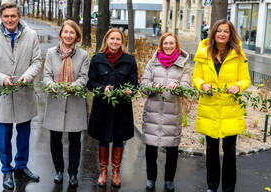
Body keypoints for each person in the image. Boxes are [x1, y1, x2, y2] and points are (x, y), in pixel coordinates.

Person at [0, 2, 42, 190]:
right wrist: (2, 79)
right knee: (4, 136)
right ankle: (6, 170)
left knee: (24, 135)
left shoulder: (31, 36)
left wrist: (27, 77)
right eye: (6, 16)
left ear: (19, 17)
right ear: (1, 17)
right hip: (3, 95)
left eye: (13, 16)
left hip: (24, 93)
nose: (10, 19)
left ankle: (21, 167)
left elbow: (37, 61)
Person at [192, 19, 251, 192]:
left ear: (230, 34)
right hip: (210, 107)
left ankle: (228, 188)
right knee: (211, 150)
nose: (222, 34)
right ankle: (212, 186)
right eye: (219, 31)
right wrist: (202, 85)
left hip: (229, 109)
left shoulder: (238, 54)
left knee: (229, 151)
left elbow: (246, 79)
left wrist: (238, 86)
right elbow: (196, 77)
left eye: (226, 31)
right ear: (214, 33)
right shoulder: (203, 53)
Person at [87, 28, 138, 188]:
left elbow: (134, 83)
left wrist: (131, 90)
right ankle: (103, 172)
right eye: (112, 39)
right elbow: (91, 82)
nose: (115, 42)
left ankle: (115, 172)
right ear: (106, 40)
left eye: (118, 39)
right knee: (103, 138)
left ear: (122, 42)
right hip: (102, 107)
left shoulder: (129, 60)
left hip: (121, 108)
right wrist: (103, 89)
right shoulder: (97, 59)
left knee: (118, 138)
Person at [140, 32, 191, 192]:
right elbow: (143, 85)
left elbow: (187, 88)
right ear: (161, 45)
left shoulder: (184, 65)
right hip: (153, 112)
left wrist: (179, 86)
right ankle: (150, 179)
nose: (168, 46)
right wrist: (153, 87)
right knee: (151, 149)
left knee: (172, 150)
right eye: (165, 43)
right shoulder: (152, 63)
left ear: (176, 46)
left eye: (171, 43)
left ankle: (169, 180)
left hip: (172, 113)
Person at [42, 20, 90, 188]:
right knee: (55, 139)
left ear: (76, 36)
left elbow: (84, 77)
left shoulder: (83, 55)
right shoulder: (50, 53)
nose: (68, 35)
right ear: (60, 34)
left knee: (75, 140)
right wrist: (51, 85)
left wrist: (74, 86)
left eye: (72, 33)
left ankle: (72, 173)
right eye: (66, 32)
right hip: (56, 100)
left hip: (75, 101)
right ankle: (59, 170)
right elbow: (46, 75)